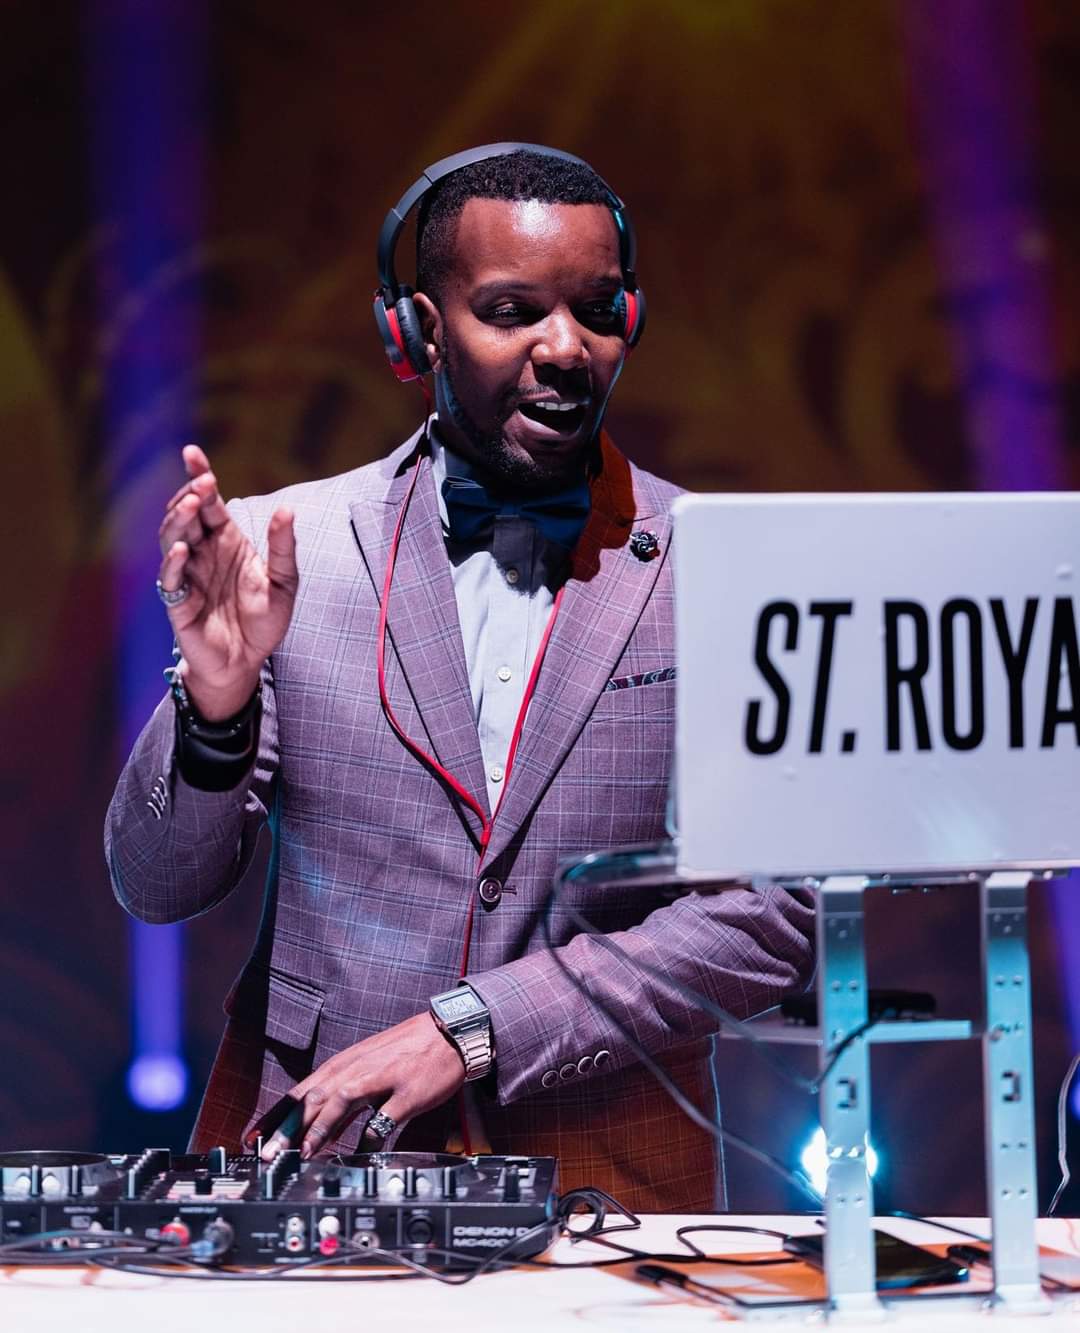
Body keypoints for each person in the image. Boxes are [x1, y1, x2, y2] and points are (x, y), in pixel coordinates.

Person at [106, 146, 813, 1212]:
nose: (565, 348)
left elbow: (773, 920)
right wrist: (215, 706)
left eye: (597, 309)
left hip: (616, 1188)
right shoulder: (286, 550)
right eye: (512, 310)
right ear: (418, 332)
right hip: (318, 1176)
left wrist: (475, 1027)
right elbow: (156, 886)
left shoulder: (721, 564)